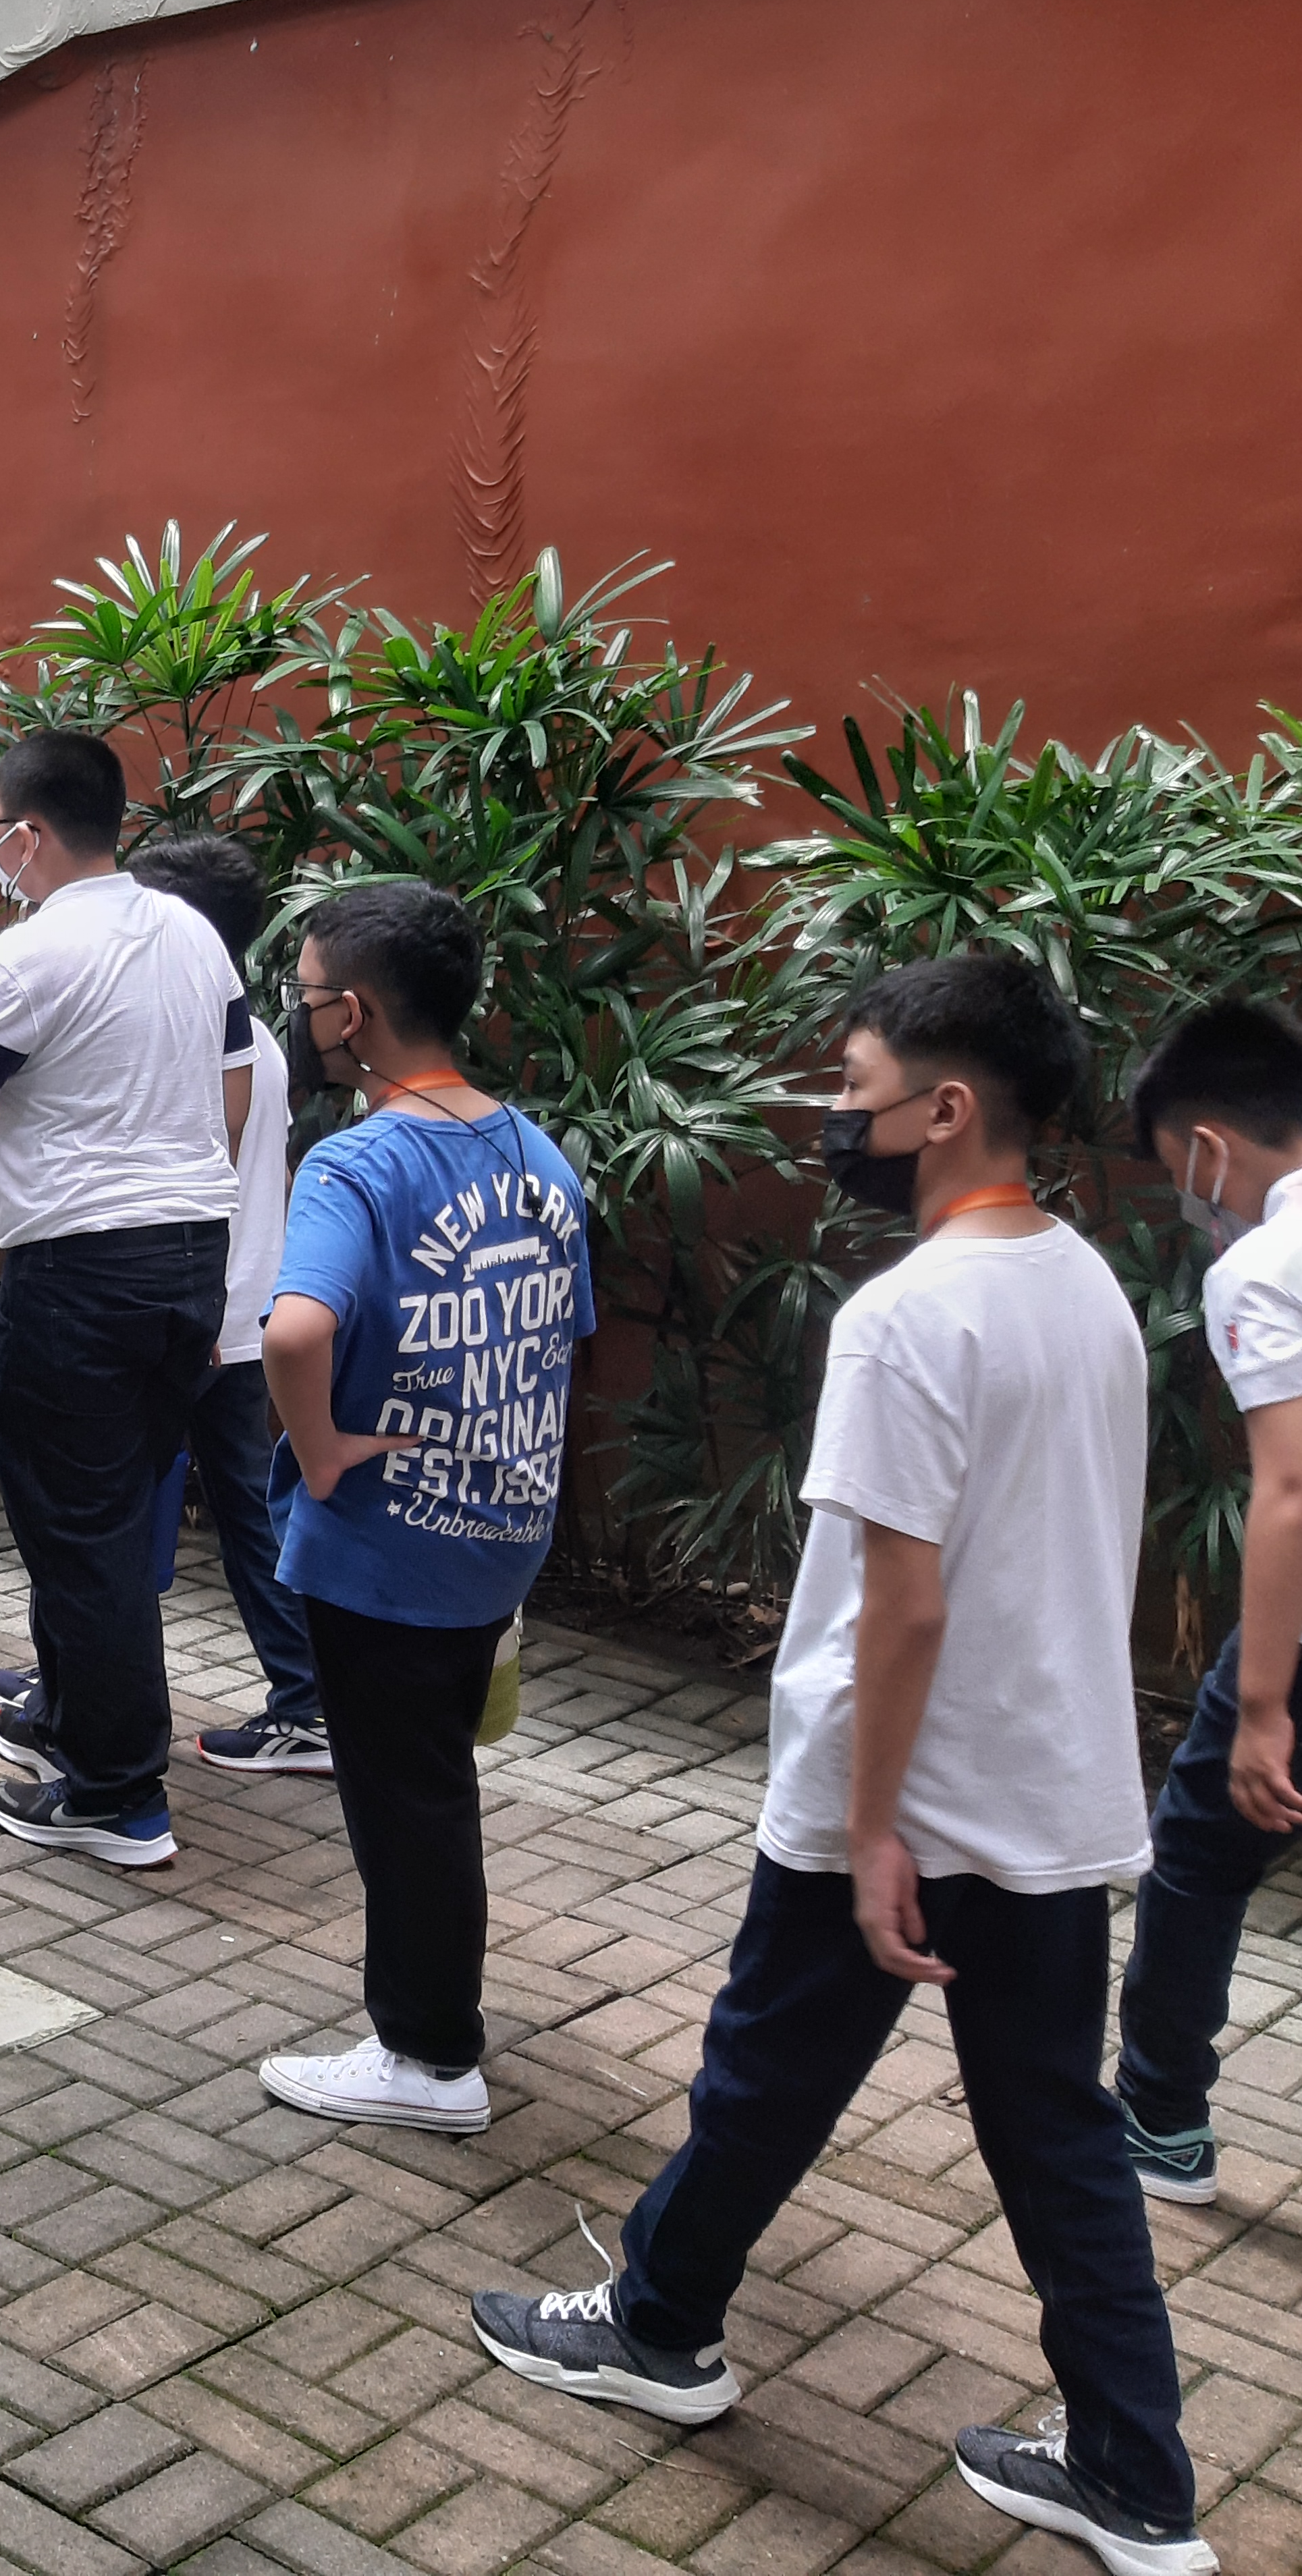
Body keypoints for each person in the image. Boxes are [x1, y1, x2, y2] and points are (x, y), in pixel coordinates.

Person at [474, 950, 1212, 2576]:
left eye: (854, 1088)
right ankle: (1138, 2472)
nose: (831, 1116)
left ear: (949, 1108)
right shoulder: (1086, 1282)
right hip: (1048, 1788)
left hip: (901, 1791)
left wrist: (871, 1823)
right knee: (1054, 2128)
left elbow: (905, 1601)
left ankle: (661, 2323)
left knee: (762, 2069)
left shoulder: (904, 1316)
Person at [0, 730, 248, 1871]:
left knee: (80, 1531)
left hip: (80, 1274)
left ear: (24, 836)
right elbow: (222, 1098)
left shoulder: (29, 955)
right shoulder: (188, 932)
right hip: (188, 1257)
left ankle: (115, 1793)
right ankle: (68, 1720)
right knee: (111, 1510)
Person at [249, 882, 591, 2132]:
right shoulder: (534, 1154)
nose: (302, 1019)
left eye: (303, 997)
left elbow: (294, 1329)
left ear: (353, 1009)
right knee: (435, 1777)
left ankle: (427, 2052)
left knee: (406, 1803)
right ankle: (429, 2028)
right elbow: (563, 1336)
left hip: (382, 1547)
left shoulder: (360, 1160)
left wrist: (322, 1448)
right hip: (494, 1531)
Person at [1113, 999, 1302, 2209]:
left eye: (1174, 1166)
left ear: (1208, 1149)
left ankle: (1158, 2121)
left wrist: (1265, 1709)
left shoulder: (1262, 1264)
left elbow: (1288, 1486)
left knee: (1194, 1850)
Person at [127, 831, 325, 1773]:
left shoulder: (193, 1034)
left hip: (194, 1314)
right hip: (240, 1310)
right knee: (249, 1515)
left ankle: (78, 1693)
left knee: (109, 1507)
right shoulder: (258, 1038)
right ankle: (309, 1700)